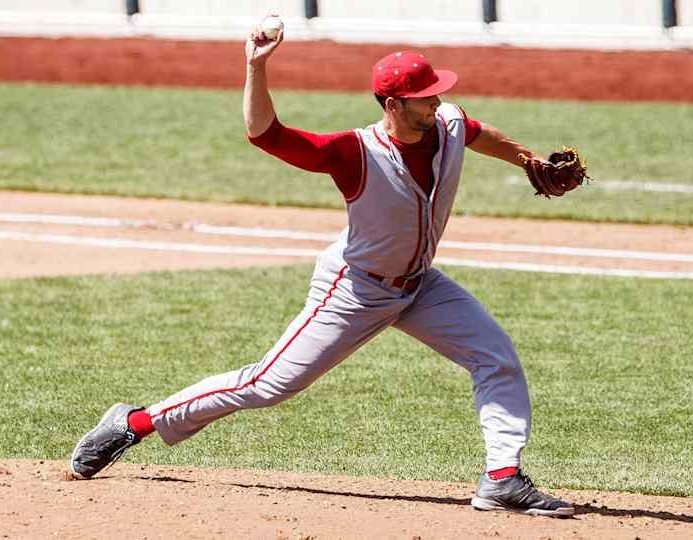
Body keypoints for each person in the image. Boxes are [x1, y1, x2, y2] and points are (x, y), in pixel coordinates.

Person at [70, 18, 577, 518]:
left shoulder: (445, 123)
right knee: (265, 386)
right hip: (355, 290)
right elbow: (266, 134)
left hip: (420, 286)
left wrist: (528, 160)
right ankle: (135, 422)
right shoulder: (354, 152)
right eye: (426, 96)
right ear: (394, 105)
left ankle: (502, 479)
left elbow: (476, 132)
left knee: (496, 357)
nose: (437, 100)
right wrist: (256, 67)